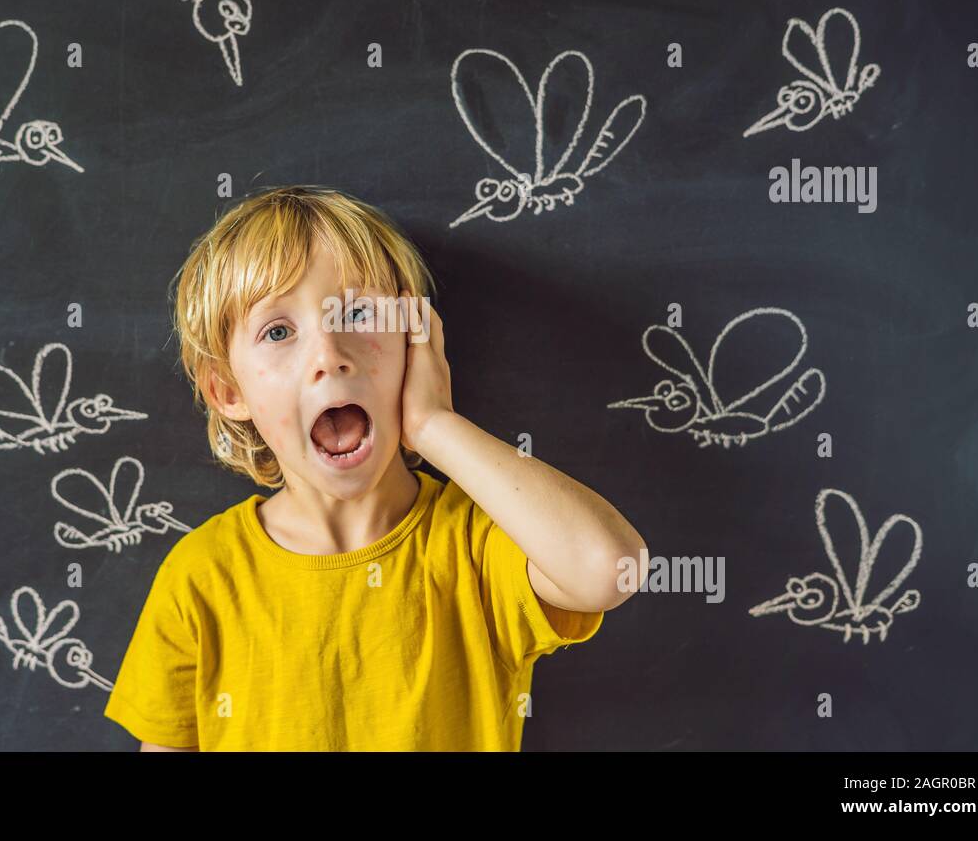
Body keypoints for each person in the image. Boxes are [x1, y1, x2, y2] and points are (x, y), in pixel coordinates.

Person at [103, 185, 647, 750]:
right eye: (279, 331)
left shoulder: (477, 544)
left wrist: (434, 425)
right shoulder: (202, 577)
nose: (328, 354)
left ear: (416, 343)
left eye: (359, 312)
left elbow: (610, 569)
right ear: (227, 391)